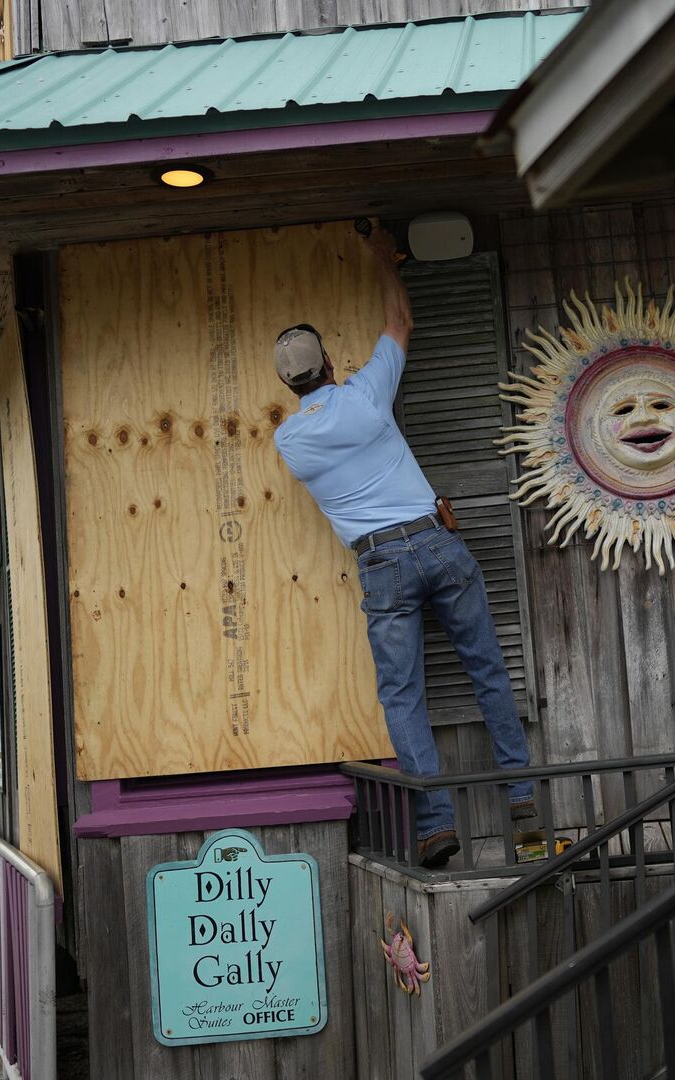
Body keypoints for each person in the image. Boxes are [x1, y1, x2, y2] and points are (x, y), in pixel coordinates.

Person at [274, 220, 535, 869]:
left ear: (290, 384)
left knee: (403, 697)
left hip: (381, 564)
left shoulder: (288, 442)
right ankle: (524, 794)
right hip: (435, 540)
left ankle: (437, 823)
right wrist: (383, 260)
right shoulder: (366, 393)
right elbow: (400, 321)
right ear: (330, 363)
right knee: (487, 670)